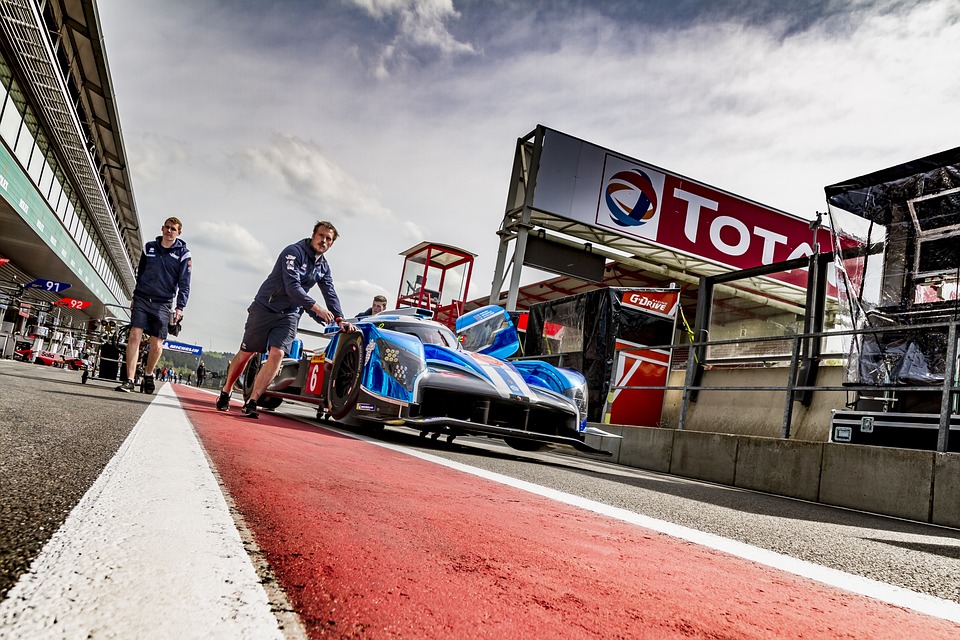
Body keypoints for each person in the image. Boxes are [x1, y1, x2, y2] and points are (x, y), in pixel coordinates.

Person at [216, 221, 356, 418]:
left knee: (278, 354)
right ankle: (226, 390)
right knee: (247, 352)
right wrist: (316, 308)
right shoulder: (293, 252)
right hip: (266, 306)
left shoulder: (323, 267)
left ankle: (253, 401)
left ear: (331, 244)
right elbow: (292, 287)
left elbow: (330, 292)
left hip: (290, 314)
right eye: (321, 236)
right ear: (313, 235)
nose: (323, 241)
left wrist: (340, 318)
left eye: (328, 239)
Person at [116, 216, 192, 394]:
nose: (169, 231)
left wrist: (180, 307)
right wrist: (134, 296)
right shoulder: (149, 247)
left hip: (163, 303)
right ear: (162, 228)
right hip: (142, 297)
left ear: (179, 233)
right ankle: (129, 380)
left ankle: (148, 374)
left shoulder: (183, 254)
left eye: (173, 229)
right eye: (167, 227)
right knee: (134, 336)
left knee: (156, 345)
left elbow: (185, 283)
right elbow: (140, 272)